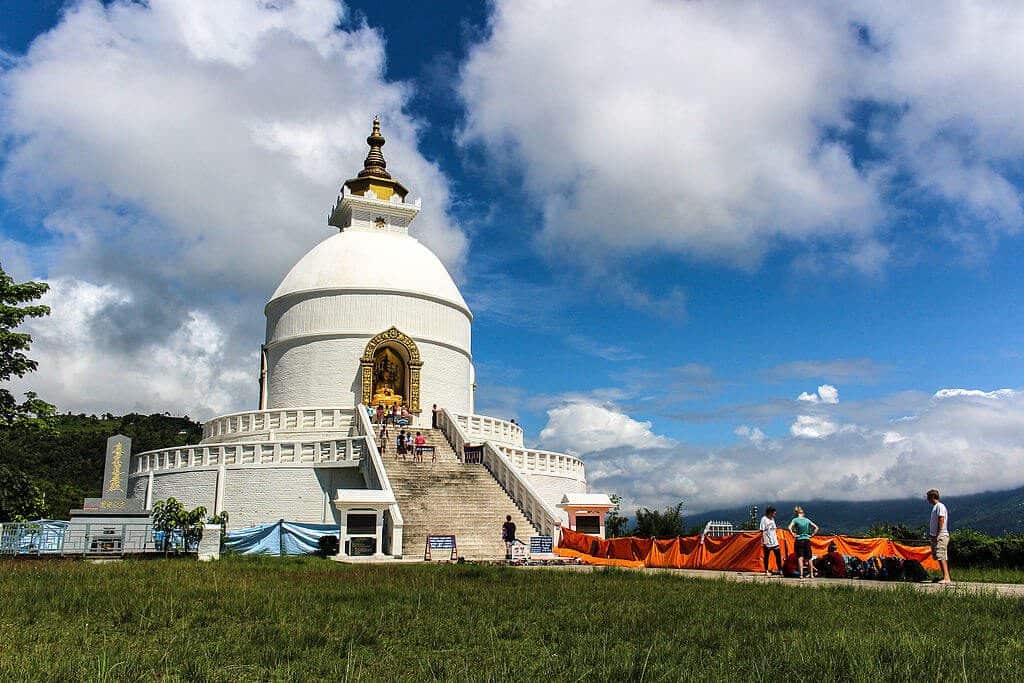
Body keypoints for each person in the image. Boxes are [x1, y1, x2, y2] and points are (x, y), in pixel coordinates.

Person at [927, 488, 952, 584]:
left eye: (928, 497)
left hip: (941, 534)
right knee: (939, 555)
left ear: (933, 496)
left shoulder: (939, 506)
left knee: (941, 555)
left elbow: (941, 519)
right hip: (936, 535)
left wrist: (938, 533)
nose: (927, 499)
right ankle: (944, 576)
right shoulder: (936, 507)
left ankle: (947, 577)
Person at [788, 506, 819, 578]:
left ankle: (801, 574)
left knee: (800, 557)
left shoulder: (795, 520)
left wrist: (793, 534)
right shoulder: (807, 520)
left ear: (796, 513)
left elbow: (789, 527)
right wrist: (811, 535)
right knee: (809, 558)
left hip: (799, 539)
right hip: (807, 539)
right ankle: (811, 575)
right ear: (802, 513)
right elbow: (816, 527)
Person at [759, 505, 782, 576]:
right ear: (770, 512)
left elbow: (774, 529)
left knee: (778, 556)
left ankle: (780, 570)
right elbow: (762, 530)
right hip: (767, 541)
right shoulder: (764, 519)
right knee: (766, 556)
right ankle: (766, 570)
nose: (775, 514)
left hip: (774, 541)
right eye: (774, 513)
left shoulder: (772, 519)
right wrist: (763, 540)